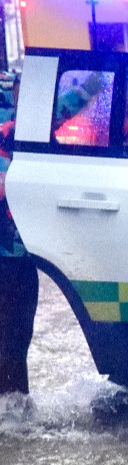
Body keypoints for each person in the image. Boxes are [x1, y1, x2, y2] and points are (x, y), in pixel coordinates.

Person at [0, 73, 37, 398]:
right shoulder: (14, 129)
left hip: (20, 256)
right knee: (12, 341)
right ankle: (14, 413)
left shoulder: (34, 132)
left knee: (16, 340)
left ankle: (15, 412)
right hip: (12, 257)